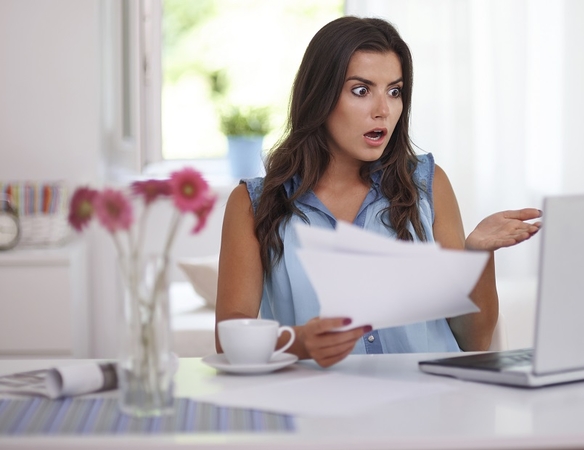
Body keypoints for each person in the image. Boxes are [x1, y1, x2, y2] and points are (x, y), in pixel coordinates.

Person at [215, 16, 541, 368]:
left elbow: (473, 340)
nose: (383, 110)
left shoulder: (429, 184)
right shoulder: (254, 204)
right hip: (318, 400)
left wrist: (477, 255)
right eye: (361, 90)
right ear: (320, 95)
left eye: (394, 91)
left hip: (430, 397)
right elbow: (227, 339)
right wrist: (300, 343)